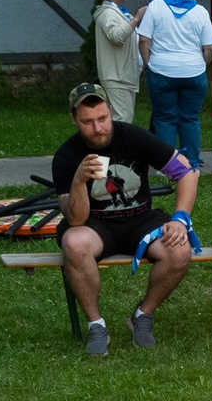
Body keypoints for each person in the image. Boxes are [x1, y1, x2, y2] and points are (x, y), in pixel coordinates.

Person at [51, 83, 201, 354]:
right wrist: (78, 180)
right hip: (95, 225)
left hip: (140, 218)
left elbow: (186, 171)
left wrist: (180, 218)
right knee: (73, 243)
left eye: (102, 118)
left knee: (179, 249)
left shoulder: (133, 137)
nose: (98, 128)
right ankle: (96, 325)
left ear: (110, 111)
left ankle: (142, 315)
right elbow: (76, 220)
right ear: (74, 120)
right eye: (87, 122)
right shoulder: (67, 155)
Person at [139, 0, 212, 168]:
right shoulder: (200, 12)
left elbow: (143, 40)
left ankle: (168, 165)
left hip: (161, 71)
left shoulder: (155, 7)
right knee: (190, 118)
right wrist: (200, 64)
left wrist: (148, 63)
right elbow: (210, 47)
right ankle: (191, 162)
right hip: (193, 72)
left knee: (164, 118)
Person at [91, 0, 141, 122]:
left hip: (123, 75)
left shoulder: (120, 13)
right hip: (117, 76)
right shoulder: (107, 13)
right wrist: (137, 18)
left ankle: (115, 145)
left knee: (122, 119)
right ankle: (118, 146)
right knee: (122, 120)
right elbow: (117, 37)